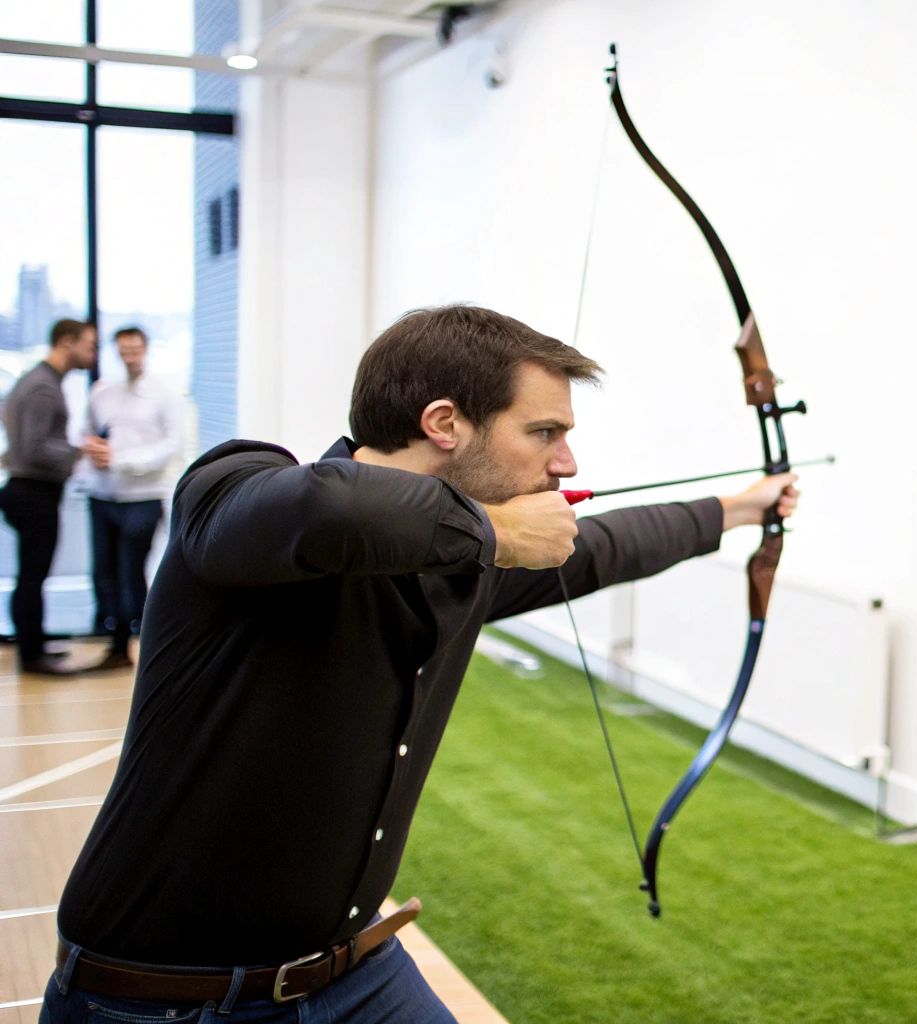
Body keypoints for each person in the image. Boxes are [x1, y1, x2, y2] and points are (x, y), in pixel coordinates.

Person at [42, 305, 800, 1022]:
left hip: (351, 967)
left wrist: (740, 509)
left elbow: (604, 547)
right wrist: (495, 532)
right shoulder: (238, 489)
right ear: (443, 423)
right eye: (544, 432)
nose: (566, 461)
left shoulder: (462, 564)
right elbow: (332, 510)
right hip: (167, 996)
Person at [1, 319, 101, 675]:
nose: (93, 353)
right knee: (32, 576)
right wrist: (78, 451)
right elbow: (34, 447)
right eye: (89, 345)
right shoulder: (43, 386)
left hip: (28, 488)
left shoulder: (36, 380)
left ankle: (35, 644)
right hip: (33, 491)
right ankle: (32, 655)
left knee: (33, 574)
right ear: (66, 342)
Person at [83, 326, 185, 670]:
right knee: (104, 573)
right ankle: (116, 646)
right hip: (104, 494)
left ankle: (146, 646)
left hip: (143, 495)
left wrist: (123, 460)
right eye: (123, 351)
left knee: (132, 572)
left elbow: (172, 445)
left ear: (145, 349)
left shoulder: (165, 394)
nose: (130, 357)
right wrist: (94, 451)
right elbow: (88, 433)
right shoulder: (102, 392)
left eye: (135, 350)